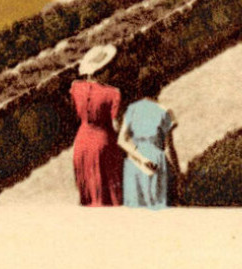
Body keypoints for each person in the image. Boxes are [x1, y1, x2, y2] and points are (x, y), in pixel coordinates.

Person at [118, 67, 180, 209]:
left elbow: (122, 140)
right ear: (159, 87)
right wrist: (178, 173)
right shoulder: (165, 111)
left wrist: (138, 156)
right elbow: (170, 148)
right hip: (156, 163)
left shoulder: (131, 110)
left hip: (134, 163)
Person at [70, 44, 123, 206]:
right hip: (103, 144)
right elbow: (116, 125)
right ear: (104, 69)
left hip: (81, 143)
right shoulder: (113, 93)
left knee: (90, 196)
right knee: (108, 197)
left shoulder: (75, 88)